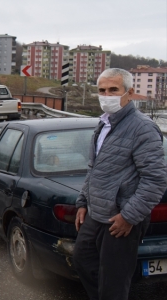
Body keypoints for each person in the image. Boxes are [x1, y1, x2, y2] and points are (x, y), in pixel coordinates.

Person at [73, 68, 167, 300]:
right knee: (82, 260)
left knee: (113, 282)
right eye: (102, 90)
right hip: (96, 213)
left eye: (113, 89)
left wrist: (129, 217)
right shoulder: (104, 125)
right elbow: (95, 169)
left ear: (130, 93)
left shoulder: (142, 128)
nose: (107, 95)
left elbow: (155, 179)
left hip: (121, 217)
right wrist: (83, 201)